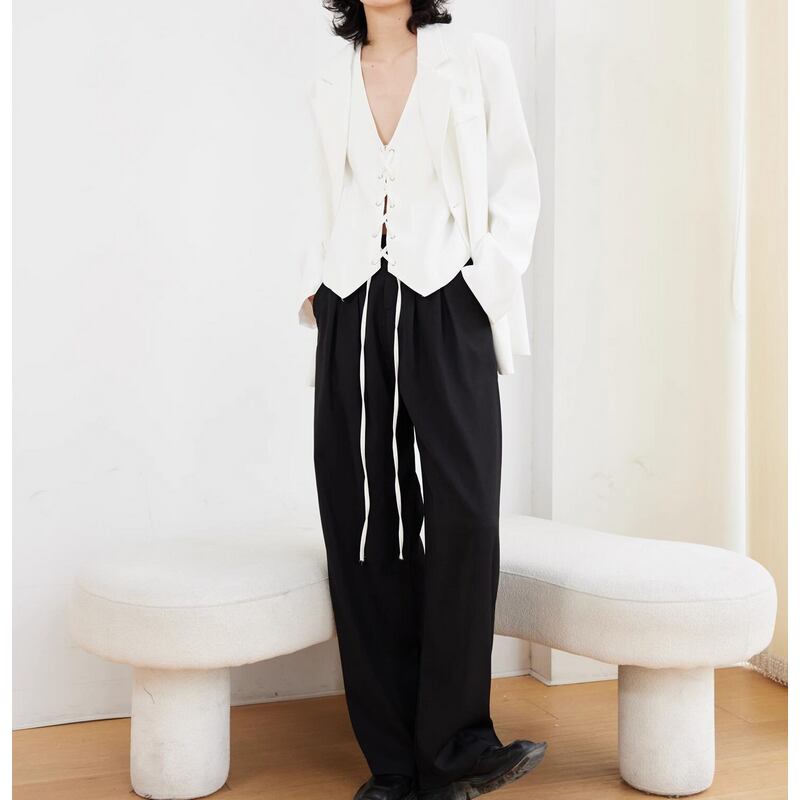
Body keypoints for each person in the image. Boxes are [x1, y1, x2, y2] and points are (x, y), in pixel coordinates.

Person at [298, 1, 544, 798]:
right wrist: (317, 289)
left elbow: (516, 182)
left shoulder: (474, 59)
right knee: (364, 521)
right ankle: (394, 762)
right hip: (352, 303)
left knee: (466, 513)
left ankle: (456, 745)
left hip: (448, 299)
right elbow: (318, 189)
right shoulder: (331, 78)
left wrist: (482, 286)